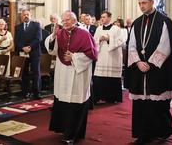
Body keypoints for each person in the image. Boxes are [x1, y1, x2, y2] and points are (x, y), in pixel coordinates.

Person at [127, 0, 172, 144]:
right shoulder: (136, 23)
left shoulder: (164, 20)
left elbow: (165, 45)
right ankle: (142, 133)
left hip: (158, 70)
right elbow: (131, 45)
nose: (142, 6)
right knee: (141, 104)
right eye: (139, 3)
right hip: (140, 70)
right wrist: (138, 62)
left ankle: (161, 131)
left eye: (144, 3)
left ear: (152, 2)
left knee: (158, 104)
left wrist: (151, 63)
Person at [45, 10, 97, 144]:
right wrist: (53, 36)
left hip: (78, 73)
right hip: (63, 73)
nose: (64, 23)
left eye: (67, 20)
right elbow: (52, 50)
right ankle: (64, 130)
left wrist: (74, 57)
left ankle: (73, 134)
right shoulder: (61, 32)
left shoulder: (84, 33)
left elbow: (92, 54)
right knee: (63, 101)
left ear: (74, 20)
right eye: (63, 20)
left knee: (75, 104)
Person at [93, 11, 125, 104]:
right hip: (101, 55)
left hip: (113, 56)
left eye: (104, 17)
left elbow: (121, 41)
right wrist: (99, 39)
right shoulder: (98, 28)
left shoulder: (116, 29)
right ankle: (99, 97)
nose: (102, 19)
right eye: (101, 17)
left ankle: (113, 98)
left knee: (112, 78)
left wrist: (108, 39)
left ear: (109, 18)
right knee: (100, 77)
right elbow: (94, 40)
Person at [14, 9, 42, 99]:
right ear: (21, 17)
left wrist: (29, 47)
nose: (26, 16)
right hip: (22, 52)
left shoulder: (36, 25)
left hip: (34, 52)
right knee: (24, 73)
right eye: (24, 15)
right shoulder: (18, 27)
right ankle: (25, 92)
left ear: (30, 16)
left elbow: (38, 38)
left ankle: (36, 92)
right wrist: (22, 48)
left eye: (27, 14)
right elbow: (16, 40)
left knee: (36, 72)